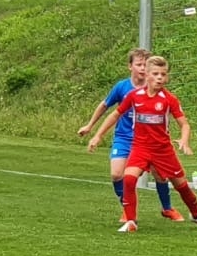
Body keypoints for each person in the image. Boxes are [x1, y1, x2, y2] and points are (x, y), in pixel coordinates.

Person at [86, 55, 197, 232]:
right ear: (147, 75)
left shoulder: (169, 99)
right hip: (140, 148)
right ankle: (131, 221)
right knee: (129, 179)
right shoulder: (134, 96)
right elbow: (115, 114)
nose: (160, 78)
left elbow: (184, 124)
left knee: (181, 185)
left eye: (163, 74)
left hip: (163, 150)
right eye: (155, 74)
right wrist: (98, 136)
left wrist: (184, 141)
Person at [77, 48, 182, 221]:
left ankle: (167, 208)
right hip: (124, 138)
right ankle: (127, 208)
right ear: (130, 66)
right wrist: (91, 127)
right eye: (138, 64)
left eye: (145, 65)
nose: (142, 68)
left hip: (149, 141)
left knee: (160, 174)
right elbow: (106, 106)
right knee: (117, 174)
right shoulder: (122, 87)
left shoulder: (156, 89)